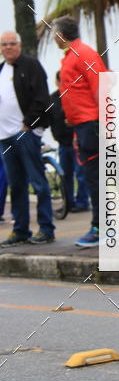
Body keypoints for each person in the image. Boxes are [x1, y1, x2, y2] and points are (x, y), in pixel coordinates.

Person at [53, 17, 107, 248]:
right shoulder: (71, 56)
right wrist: (76, 129)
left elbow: (100, 87)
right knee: (92, 176)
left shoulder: (83, 54)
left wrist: (104, 124)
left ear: (60, 35)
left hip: (92, 125)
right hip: (82, 127)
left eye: (53, 33)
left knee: (96, 177)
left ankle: (102, 229)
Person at [0, 30, 55, 246]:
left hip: (26, 134)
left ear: (19, 45)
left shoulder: (31, 66)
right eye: (4, 44)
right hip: (4, 137)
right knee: (16, 185)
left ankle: (46, 229)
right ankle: (20, 230)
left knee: (38, 182)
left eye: (12, 43)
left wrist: (29, 125)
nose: (8, 47)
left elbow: (42, 99)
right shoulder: (1, 70)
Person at [48, 72, 90, 213]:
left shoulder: (76, 95)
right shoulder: (53, 98)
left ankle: (82, 202)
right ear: (56, 82)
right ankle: (68, 203)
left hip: (76, 142)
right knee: (65, 175)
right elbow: (48, 117)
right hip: (62, 143)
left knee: (80, 174)